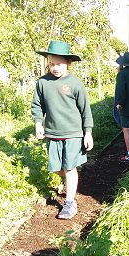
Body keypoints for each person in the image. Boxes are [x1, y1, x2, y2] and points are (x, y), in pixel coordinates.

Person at [31, 40, 94, 220]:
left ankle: (69, 203)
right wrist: (38, 123)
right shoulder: (42, 83)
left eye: (59, 64)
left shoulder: (75, 84)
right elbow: (37, 105)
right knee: (56, 168)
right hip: (53, 133)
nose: (55, 67)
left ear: (68, 63)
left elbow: (85, 110)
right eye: (51, 64)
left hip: (74, 133)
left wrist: (87, 132)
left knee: (69, 168)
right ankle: (69, 179)